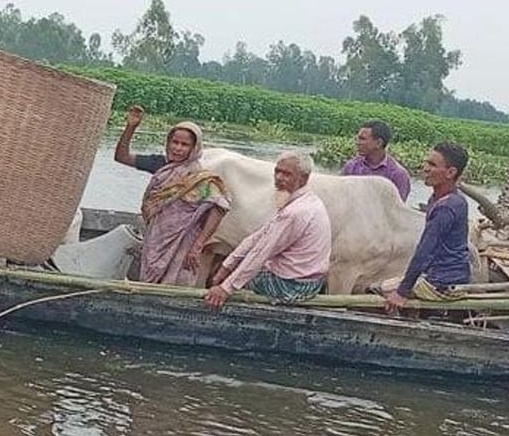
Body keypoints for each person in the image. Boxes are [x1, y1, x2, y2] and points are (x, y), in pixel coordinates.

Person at [114, 105, 230, 286]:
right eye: (174, 142)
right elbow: (122, 157)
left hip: (183, 245)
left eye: (184, 145)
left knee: (176, 282)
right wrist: (131, 127)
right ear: (168, 142)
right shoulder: (160, 164)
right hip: (155, 240)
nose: (178, 148)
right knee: (149, 280)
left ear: (194, 148)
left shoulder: (199, 178)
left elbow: (220, 207)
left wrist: (199, 244)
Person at [203, 151, 332, 310]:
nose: (279, 178)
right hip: (308, 281)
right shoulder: (307, 201)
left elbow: (261, 252)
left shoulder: (295, 212)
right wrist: (226, 266)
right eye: (277, 171)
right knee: (236, 271)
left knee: (241, 278)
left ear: (303, 178)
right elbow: (258, 236)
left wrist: (225, 287)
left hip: (291, 285)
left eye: (287, 174)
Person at [383, 142, 472, 312]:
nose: (425, 168)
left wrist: (402, 292)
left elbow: (424, 251)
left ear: (451, 172)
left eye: (432, 165)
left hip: (442, 284)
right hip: (447, 276)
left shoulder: (446, 207)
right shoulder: (444, 199)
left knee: (380, 289)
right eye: (426, 163)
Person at [341, 120, 411, 202]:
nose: (357, 143)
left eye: (362, 139)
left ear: (378, 143)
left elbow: (397, 209)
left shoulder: (398, 175)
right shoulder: (352, 166)